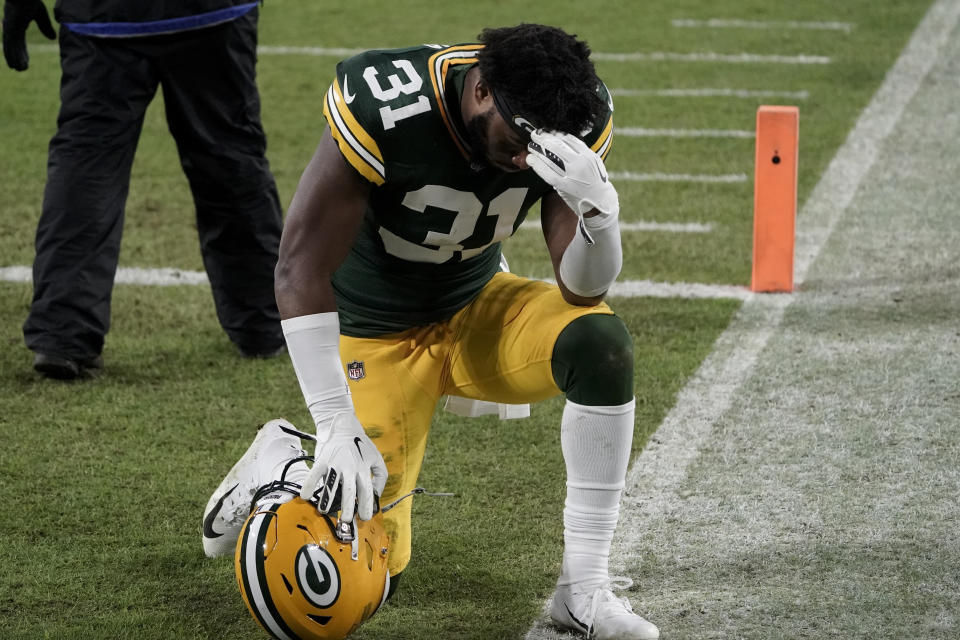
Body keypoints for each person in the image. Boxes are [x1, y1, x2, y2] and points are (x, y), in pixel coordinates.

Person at [203, 23, 660, 640]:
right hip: (375, 333)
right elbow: (298, 267)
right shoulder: (388, 106)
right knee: (360, 582)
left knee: (599, 343)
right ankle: (284, 461)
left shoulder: (563, 119)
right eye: (520, 138)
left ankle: (583, 587)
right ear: (480, 93)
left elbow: (581, 290)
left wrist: (599, 214)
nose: (527, 160)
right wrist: (337, 421)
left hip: (476, 306)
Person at [2, 0, 286, 380]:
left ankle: (63, 333)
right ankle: (263, 321)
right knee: (230, 159)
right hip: (211, 12)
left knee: (87, 168)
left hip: (102, 16)